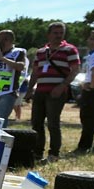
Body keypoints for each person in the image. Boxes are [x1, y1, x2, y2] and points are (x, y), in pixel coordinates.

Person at [25, 22, 80, 162]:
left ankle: (53, 154)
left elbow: (75, 70)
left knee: (53, 123)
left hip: (57, 91)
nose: (58, 35)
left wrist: (62, 86)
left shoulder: (70, 50)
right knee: (36, 123)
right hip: (40, 91)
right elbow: (35, 72)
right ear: (48, 34)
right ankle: (37, 153)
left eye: (61, 33)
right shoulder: (41, 52)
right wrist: (30, 89)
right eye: (55, 33)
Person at [0, 29, 28, 127]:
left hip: (9, 91)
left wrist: (3, 59)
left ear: (6, 40)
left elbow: (21, 66)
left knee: (0, 119)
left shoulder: (18, 52)